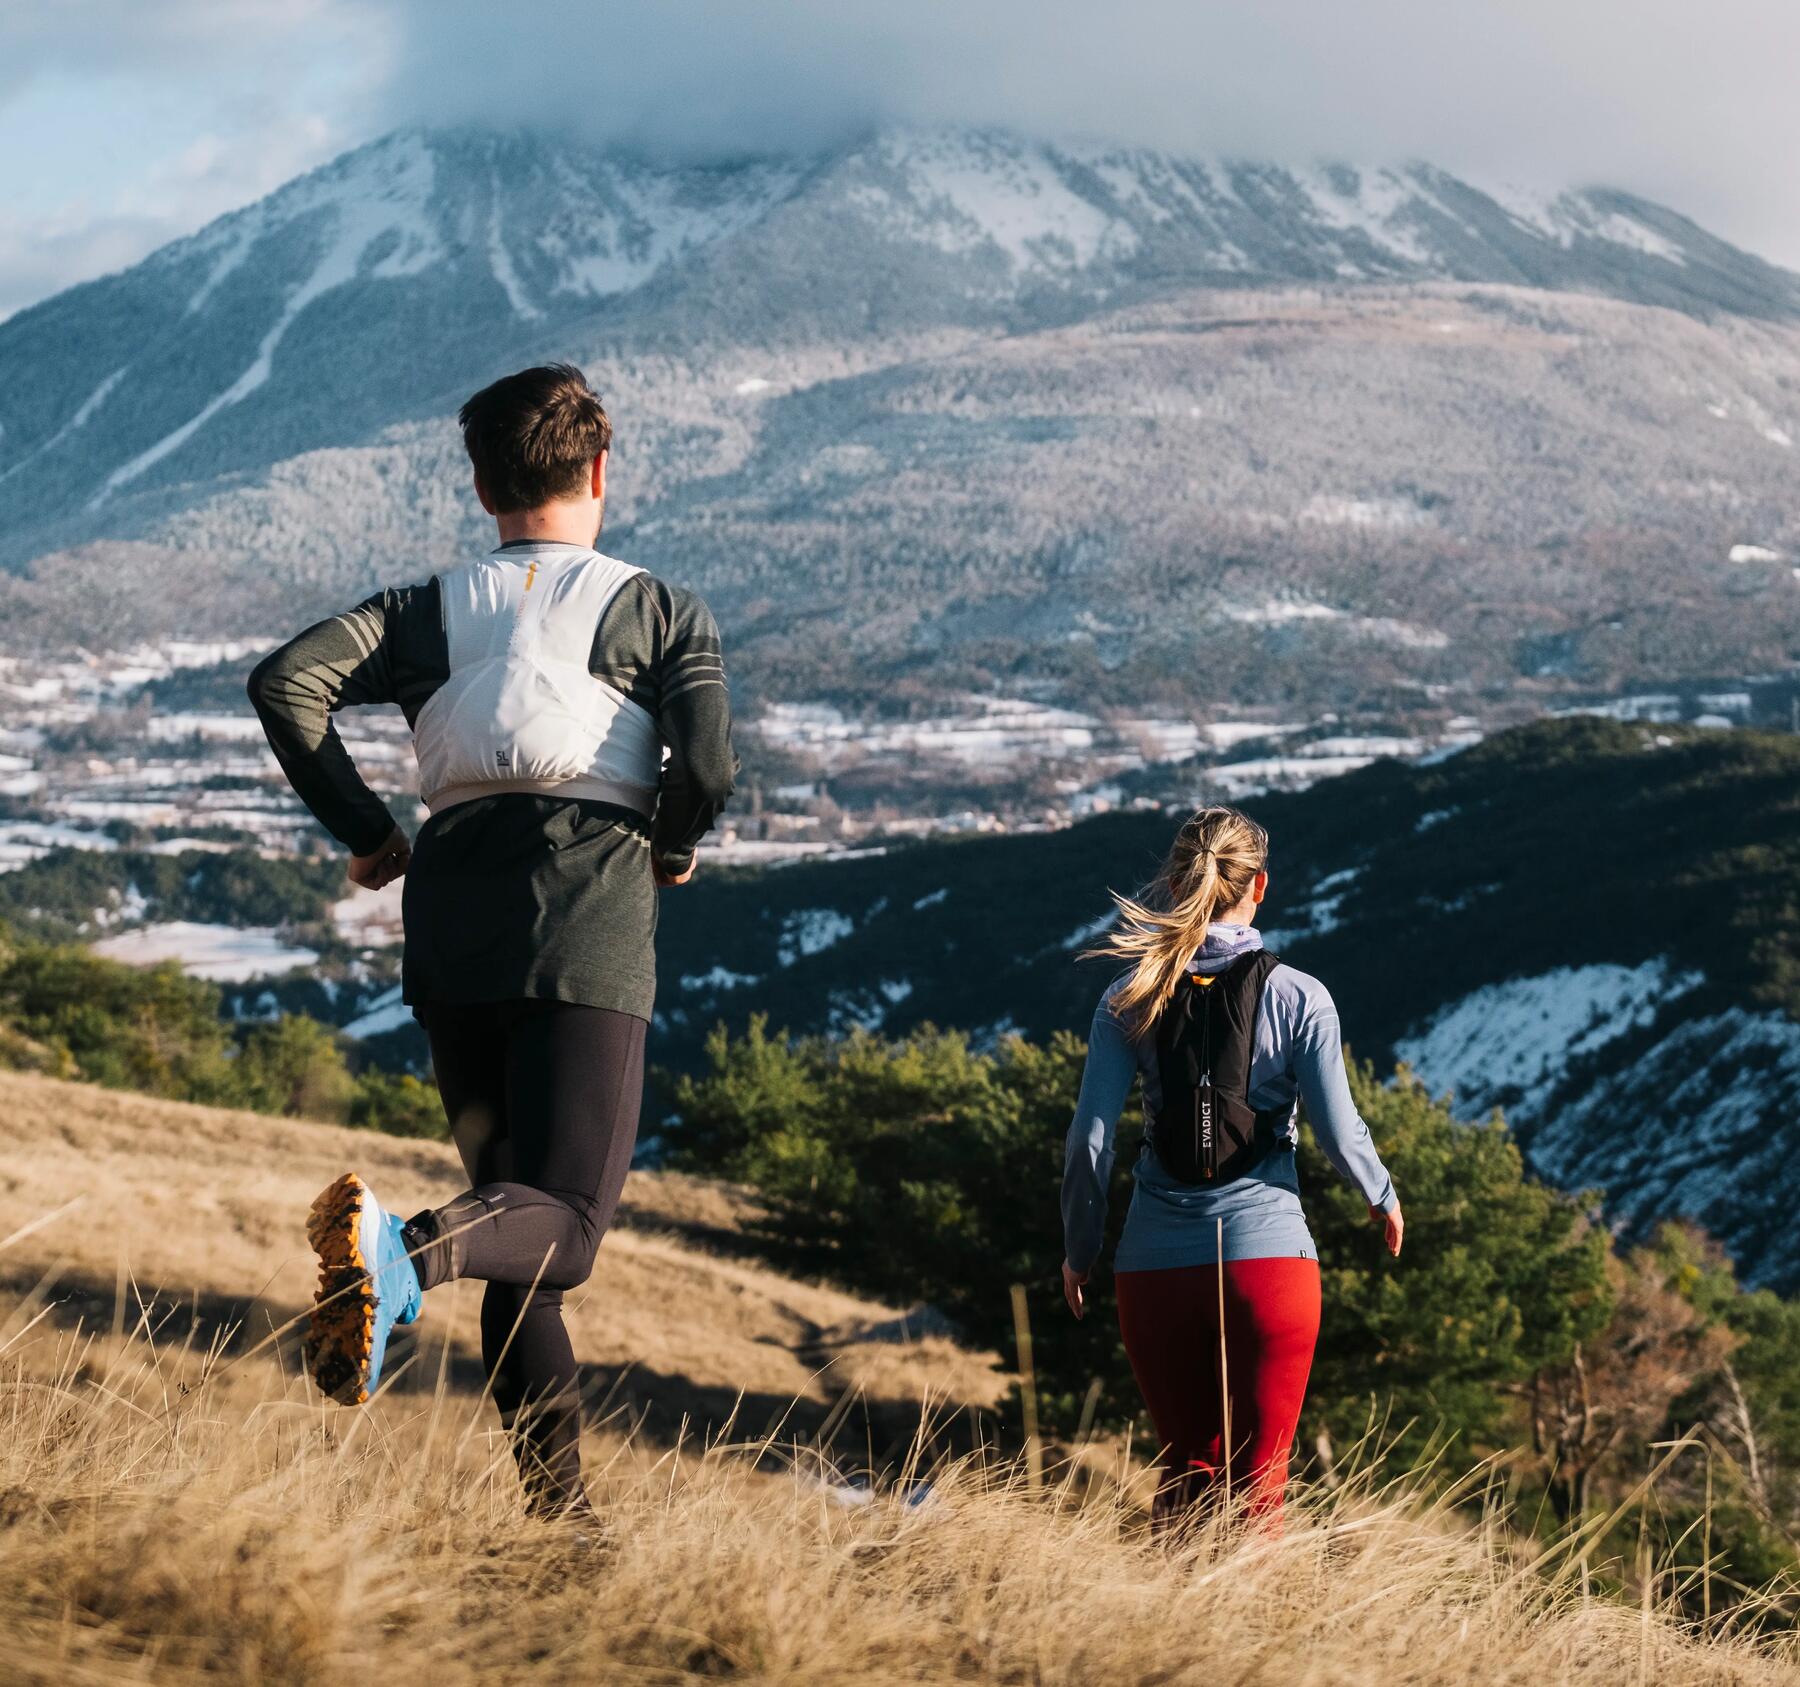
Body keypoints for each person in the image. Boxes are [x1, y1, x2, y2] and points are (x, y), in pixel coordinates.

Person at [248, 363, 734, 1518]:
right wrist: (671, 840)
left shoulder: (423, 607)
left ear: (481, 486)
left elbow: (286, 684)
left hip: (453, 924)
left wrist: (367, 832)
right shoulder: (658, 608)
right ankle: (400, 1252)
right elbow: (708, 769)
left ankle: (558, 1528)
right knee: (559, 1229)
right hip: (585, 914)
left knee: (515, 1237)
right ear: (602, 470)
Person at [1059, 804, 1402, 1526]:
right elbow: (1342, 1131)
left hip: (1153, 1266)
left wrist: (1080, 1249)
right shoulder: (1302, 996)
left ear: (1180, 882)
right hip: (1269, 1263)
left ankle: (1169, 1635)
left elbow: (1091, 1139)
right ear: (1260, 885)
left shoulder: (1130, 994)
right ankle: (1252, 1636)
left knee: (1184, 1478)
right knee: (1259, 1490)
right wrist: (1382, 1194)